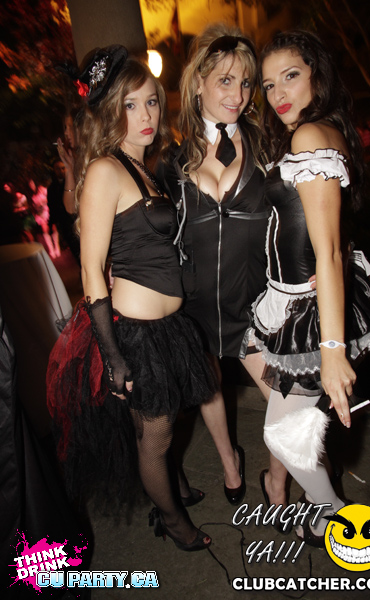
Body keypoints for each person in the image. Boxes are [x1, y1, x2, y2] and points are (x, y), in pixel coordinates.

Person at [47, 46, 217, 551]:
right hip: (135, 333)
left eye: (151, 102)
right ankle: (173, 521)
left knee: (164, 422)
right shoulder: (105, 170)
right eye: (130, 105)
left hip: (165, 327)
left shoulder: (141, 167)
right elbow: (91, 269)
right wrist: (113, 354)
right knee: (154, 436)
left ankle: (174, 486)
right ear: (109, 111)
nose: (146, 115)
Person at [250, 30, 370, 545]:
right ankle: (313, 502)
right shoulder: (323, 129)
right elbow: (330, 233)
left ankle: (334, 514)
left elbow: (329, 250)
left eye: (290, 76)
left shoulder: (310, 136)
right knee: (289, 418)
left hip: (309, 312)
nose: (278, 93)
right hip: (293, 300)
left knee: (280, 433)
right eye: (269, 84)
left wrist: (333, 351)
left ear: (317, 73)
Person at [159, 23, 290, 508]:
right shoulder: (171, 163)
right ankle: (230, 462)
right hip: (195, 304)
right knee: (208, 386)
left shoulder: (268, 147)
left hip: (255, 308)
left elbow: (295, 218)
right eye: (225, 81)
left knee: (289, 399)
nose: (238, 95)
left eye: (246, 83)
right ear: (199, 83)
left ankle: (276, 481)